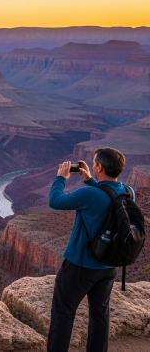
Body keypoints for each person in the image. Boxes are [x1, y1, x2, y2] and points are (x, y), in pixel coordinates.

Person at [47, 148, 130, 352]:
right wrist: (90, 179)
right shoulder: (128, 192)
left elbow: (54, 201)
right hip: (109, 265)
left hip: (80, 265)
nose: (92, 166)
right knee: (100, 314)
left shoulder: (89, 194)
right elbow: (106, 196)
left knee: (63, 313)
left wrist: (61, 178)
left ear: (100, 167)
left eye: (94, 163)